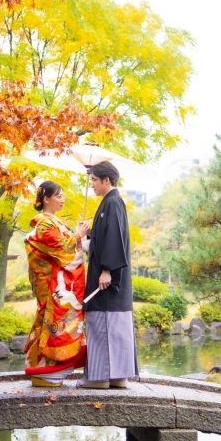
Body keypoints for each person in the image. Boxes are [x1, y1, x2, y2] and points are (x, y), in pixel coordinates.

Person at [77, 161, 138, 389]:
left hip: (107, 280)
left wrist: (106, 270)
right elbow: (106, 236)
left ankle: (100, 378)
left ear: (106, 180)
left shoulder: (112, 203)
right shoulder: (110, 203)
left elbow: (114, 238)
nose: (92, 184)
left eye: (94, 179)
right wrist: (91, 232)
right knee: (116, 327)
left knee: (102, 323)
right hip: (114, 283)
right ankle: (118, 377)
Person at [24, 181, 90, 387]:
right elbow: (62, 247)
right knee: (53, 323)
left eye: (63, 196)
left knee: (51, 324)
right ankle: (45, 370)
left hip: (56, 283)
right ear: (46, 199)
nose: (62, 200)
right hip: (53, 284)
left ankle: (47, 370)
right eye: (58, 196)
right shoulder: (45, 224)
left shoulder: (55, 222)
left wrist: (77, 235)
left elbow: (67, 245)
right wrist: (78, 235)